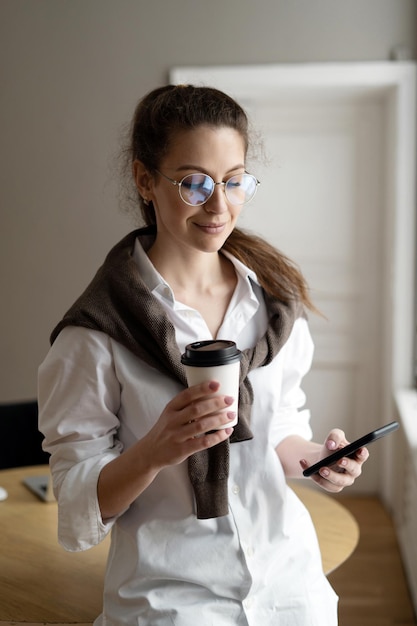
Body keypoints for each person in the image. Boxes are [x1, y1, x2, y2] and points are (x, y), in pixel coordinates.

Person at [38, 84, 369, 626]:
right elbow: (77, 505)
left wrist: (316, 459)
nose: (220, 206)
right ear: (145, 180)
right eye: (194, 183)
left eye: (234, 181)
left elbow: (279, 427)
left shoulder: (273, 306)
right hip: (171, 601)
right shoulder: (95, 334)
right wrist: (154, 451)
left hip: (291, 589)